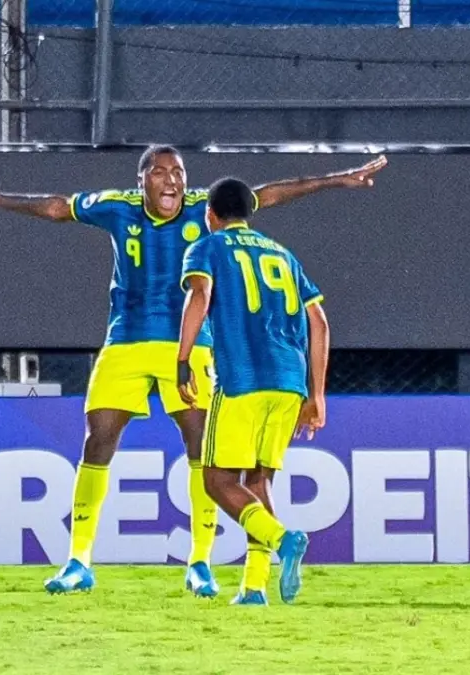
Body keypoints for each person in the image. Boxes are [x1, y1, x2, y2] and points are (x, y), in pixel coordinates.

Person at [0, 146, 380, 597]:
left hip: (190, 345)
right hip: (127, 339)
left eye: (179, 172)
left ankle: (200, 564)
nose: (172, 181)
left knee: (201, 445)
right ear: (142, 180)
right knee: (99, 436)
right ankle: (78, 561)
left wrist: (336, 179)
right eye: (161, 172)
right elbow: (57, 207)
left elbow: (266, 195)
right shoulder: (117, 207)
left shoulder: (202, 209)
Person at [176, 176, 330, 606]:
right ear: (250, 213)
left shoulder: (207, 247)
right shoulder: (283, 254)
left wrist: (183, 358)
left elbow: (200, 295)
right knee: (258, 480)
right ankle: (254, 588)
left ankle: (282, 539)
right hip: (290, 380)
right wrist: (317, 395)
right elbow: (319, 323)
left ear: (210, 216)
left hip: (244, 377)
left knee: (215, 479)